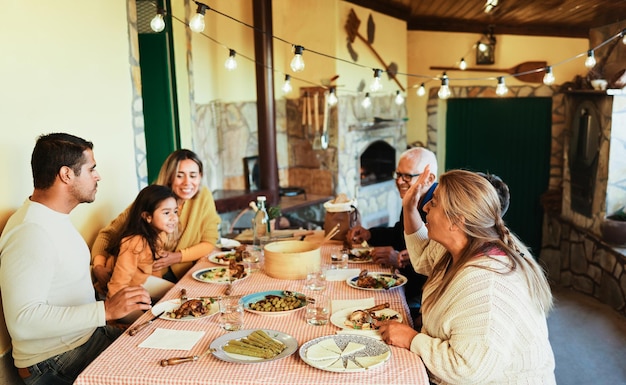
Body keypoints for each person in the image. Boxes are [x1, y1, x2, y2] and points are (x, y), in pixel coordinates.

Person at [378, 168, 555, 385]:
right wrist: (409, 207)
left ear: (456, 222)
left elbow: (468, 369)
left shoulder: (487, 284)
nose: (425, 208)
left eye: (433, 203)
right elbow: (423, 258)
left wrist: (412, 339)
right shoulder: (466, 242)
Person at [0, 133, 151, 385]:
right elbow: (22, 321)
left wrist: (111, 308)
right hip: (52, 361)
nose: (98, 176)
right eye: (91, 169)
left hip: (86, 337)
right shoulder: (31, 232)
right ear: (66, 174)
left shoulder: (53, 217)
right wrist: (105, 310)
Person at [91, 149, 220, 294]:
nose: (187, 183)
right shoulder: (153, 199)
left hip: (182, 270)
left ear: (200, 176)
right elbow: (107, 235)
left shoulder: (203, 196)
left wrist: (177, 257)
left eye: (193, 175)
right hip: (141, 278)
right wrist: (98, 266)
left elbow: (210, 241)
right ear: (170, 177)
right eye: (180, 175)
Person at [346, 147, 438, 314]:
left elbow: (437, 264)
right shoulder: (412, 198)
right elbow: (399, 233)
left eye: (407, 176)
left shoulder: (438, 207)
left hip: (423, 296)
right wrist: (370, 234)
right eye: (398, 175)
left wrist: (401, 260)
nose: (400, 181)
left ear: (430, 178)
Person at [106, 185, 178, 301]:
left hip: (141, 282)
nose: (174, 217)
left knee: (177, 294)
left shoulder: (161, 235)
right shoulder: (133, 243)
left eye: (175, 211)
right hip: (121, 292)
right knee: (146, 319)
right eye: (166, 213)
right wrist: (113, 315)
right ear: (147, 216)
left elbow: (155, 268)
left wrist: (157, 300)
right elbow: (117, 284)